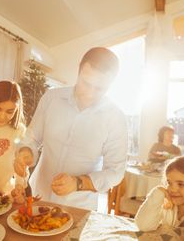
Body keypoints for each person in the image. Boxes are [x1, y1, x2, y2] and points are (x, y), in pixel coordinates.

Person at [14, 47, 128, 210]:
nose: (89, 93)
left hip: (78, 207)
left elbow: (115, 172)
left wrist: (78, 183)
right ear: (79, 68)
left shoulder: (116, 118)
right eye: (86, 83)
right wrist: (25, 152)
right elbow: (31, 138)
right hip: (38, 196)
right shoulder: (51, 98)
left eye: (99, 88)